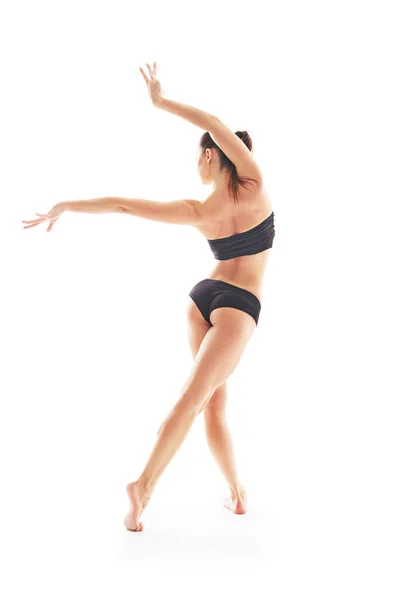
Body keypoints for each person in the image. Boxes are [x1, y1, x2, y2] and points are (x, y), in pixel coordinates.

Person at [21, 61, 276, 532]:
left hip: (204, 297)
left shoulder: (199, 210)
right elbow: (216, 125)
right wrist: (163, 102)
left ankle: (237, 494)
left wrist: (68, 205)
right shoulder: (257, 191)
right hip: (239, 304)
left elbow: (124, 204)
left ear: (210, 156)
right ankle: (144, 486)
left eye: (201, 153)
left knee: (211, 402)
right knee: (196, 399)